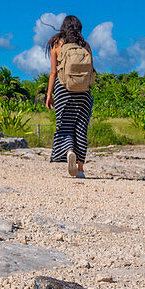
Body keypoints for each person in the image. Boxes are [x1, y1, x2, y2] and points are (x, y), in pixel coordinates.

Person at [44, 15, 94, 178]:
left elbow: (53, 72)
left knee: (64, 126)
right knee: (81, 129)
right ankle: (80, 169)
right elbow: (91, 72)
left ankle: (69, 152)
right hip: (84, 93)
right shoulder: (85, 46)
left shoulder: (56, 44)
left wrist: (49, 94)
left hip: (63, 89)